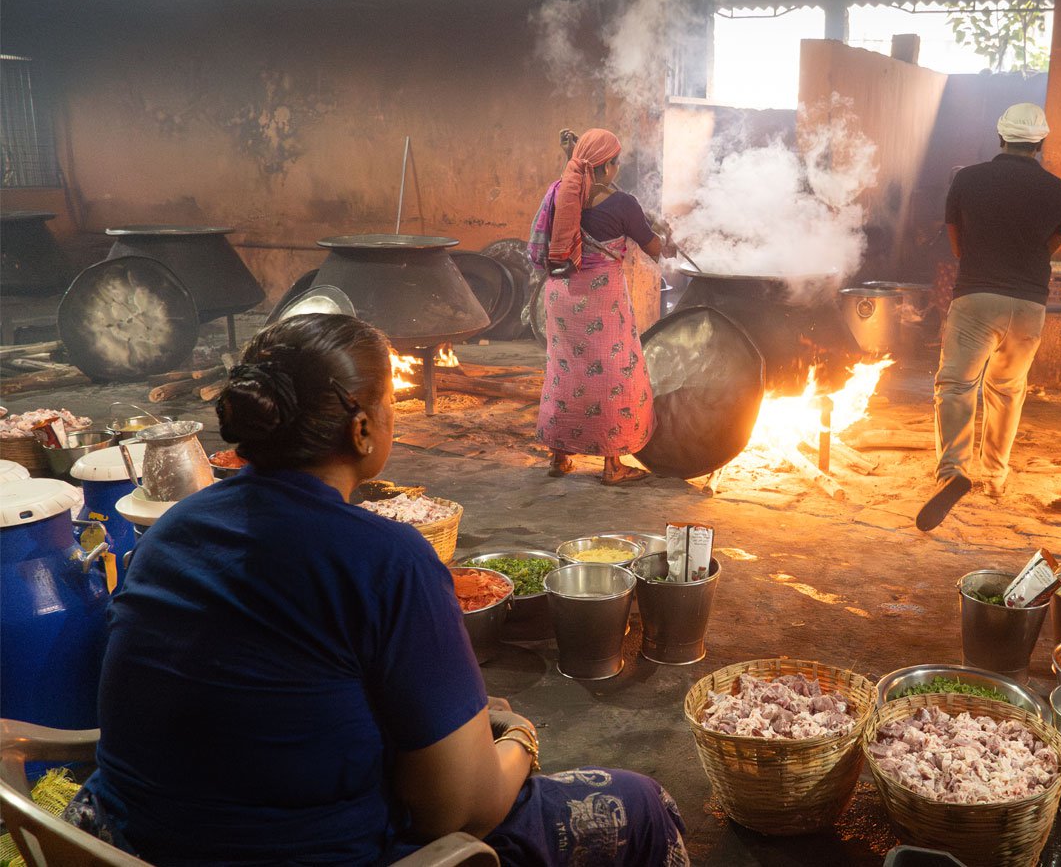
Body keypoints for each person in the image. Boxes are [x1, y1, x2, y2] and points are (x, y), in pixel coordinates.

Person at [65, 313, 688, 866]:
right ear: (362, 430)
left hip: (123, 840)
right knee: (642, 803)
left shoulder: (173, 529)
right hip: (305, 850)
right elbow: (459, 811)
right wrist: (521, 736)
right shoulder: (388, 561)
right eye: (392, 404)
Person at [917, 103, 1061, 532]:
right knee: (1006, 388)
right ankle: (995, 477)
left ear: (1000, 137)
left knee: (956, 384)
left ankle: (953, 472)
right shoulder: (1060, 190)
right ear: (1040, 143)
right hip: (1029, 304)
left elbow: (956, 242)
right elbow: (1051, 244)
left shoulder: (966, 179)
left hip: (977, 297)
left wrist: (985, 261)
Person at [529, 127, 668, 485]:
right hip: (600, 298)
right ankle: (613, 465)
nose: (618, 167)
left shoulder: (563, 192)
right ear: (606, 167)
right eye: (616, 162)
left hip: (561, 294)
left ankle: (559, 457)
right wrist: (666, 237)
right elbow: (653, 249)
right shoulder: (622, 204)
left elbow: (577, 191)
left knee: (567, 373)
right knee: (613, 375)